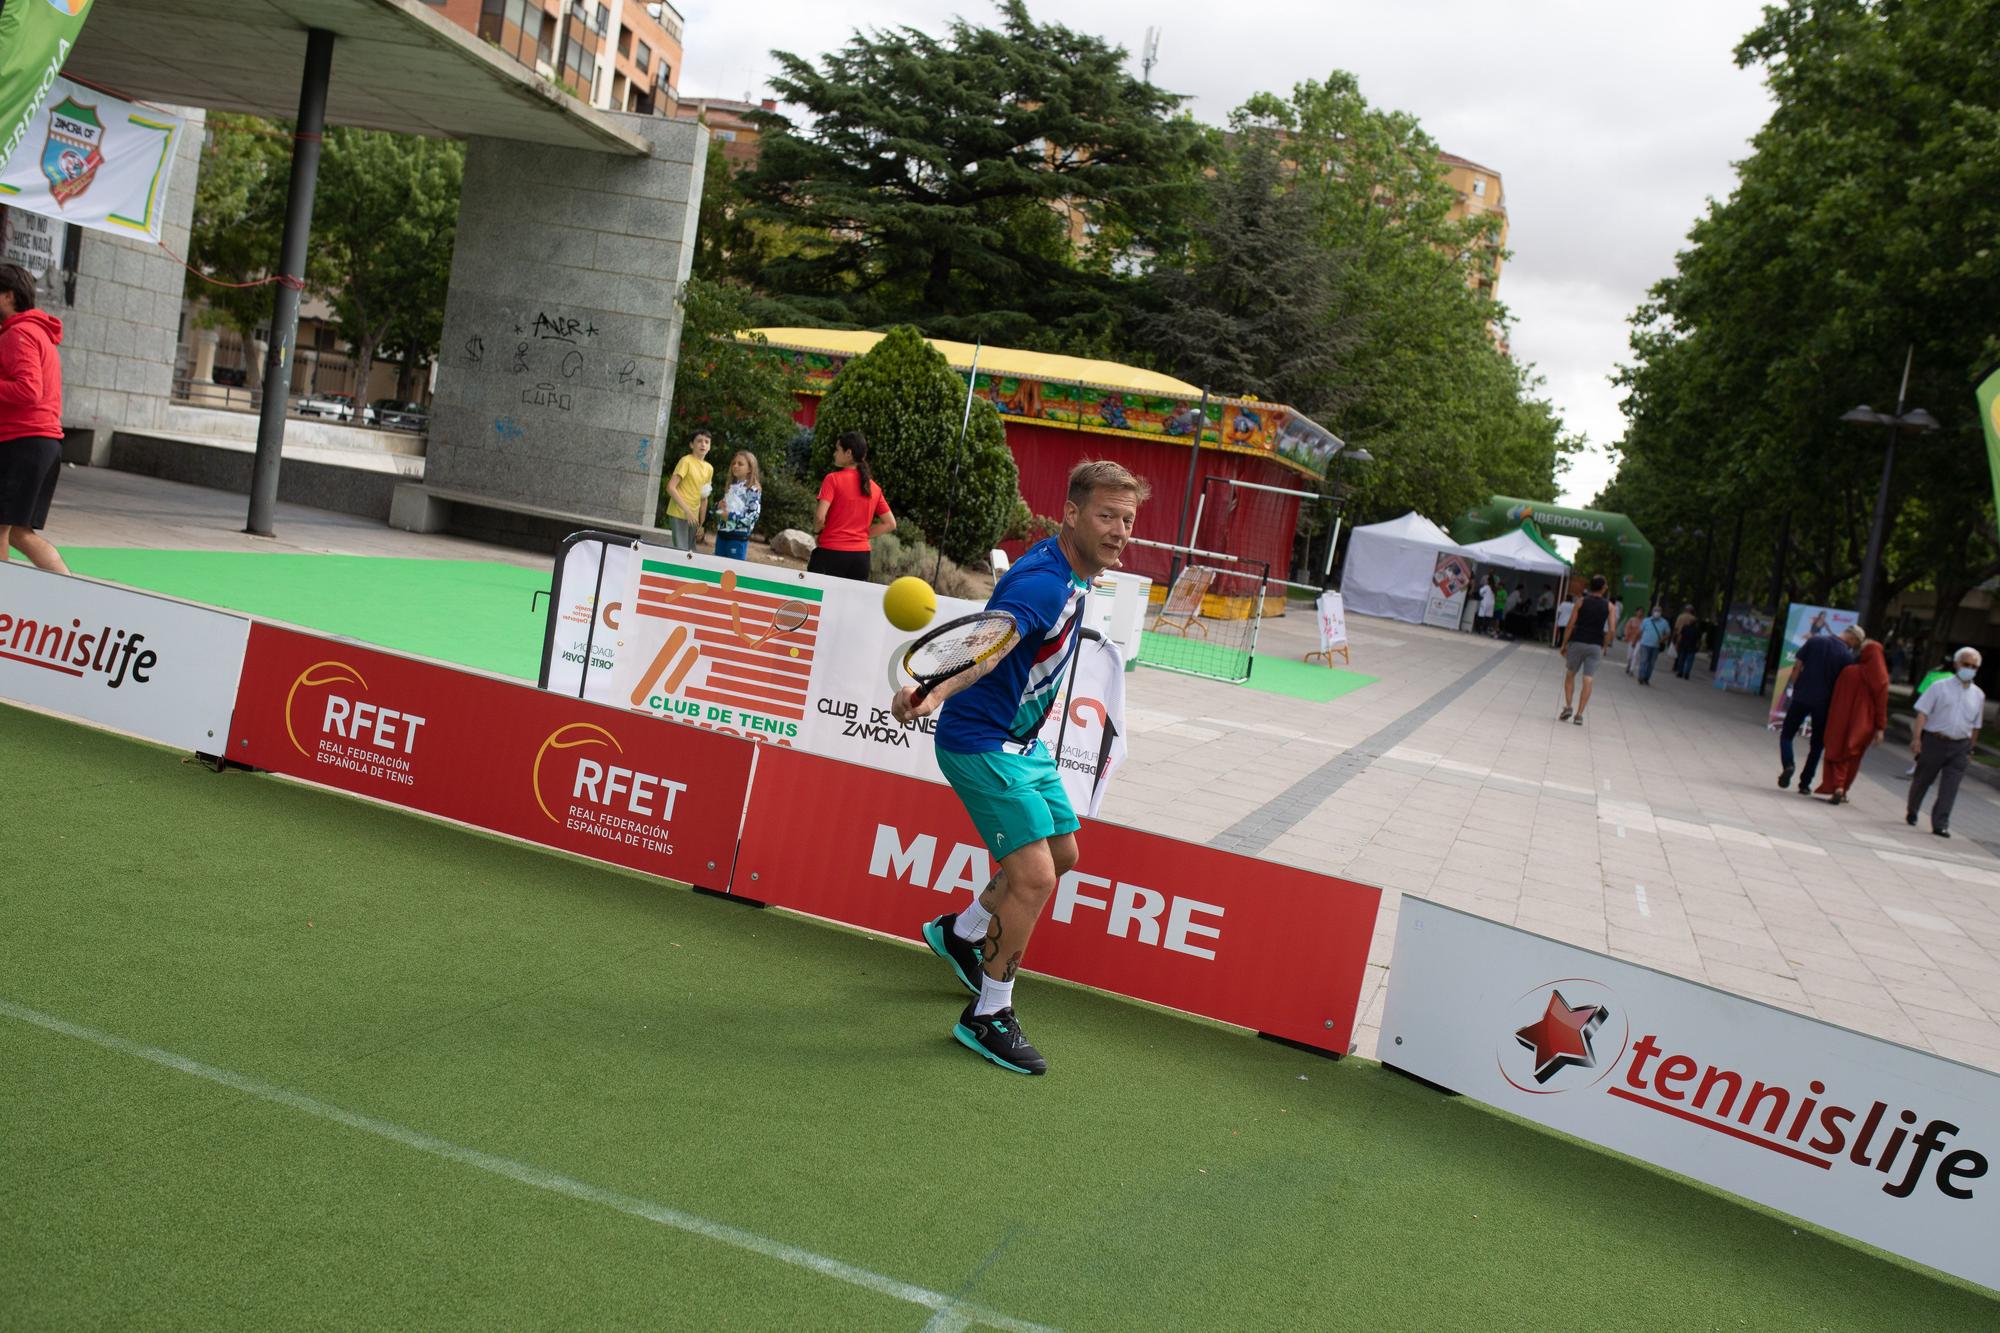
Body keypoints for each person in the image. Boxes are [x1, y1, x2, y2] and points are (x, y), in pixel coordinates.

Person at [893, 460, 1147, 1075]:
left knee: (1063, 856)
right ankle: (988, 1012)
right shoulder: (1042, 585)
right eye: (1106, 516)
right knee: (1034, 877)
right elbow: (983, 649)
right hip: (980, 741)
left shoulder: (1075, 571)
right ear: (1071, 512)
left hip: (1021, 741)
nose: (1119, 531)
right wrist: (931, 694)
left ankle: (963, 931)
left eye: (1128, 519)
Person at [0, 262, 70, 574]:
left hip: (23, 442)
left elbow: (28, 389)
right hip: (39, 442)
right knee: (17, 532)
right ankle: (69, 589)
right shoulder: (36, 332)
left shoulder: (19, 334)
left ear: (8, 296)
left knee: (2, 529)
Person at [1907, 648, 1985, 838]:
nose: (1970, 669)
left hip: (1960, 746)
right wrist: (1917, 739)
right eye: (1966, 664)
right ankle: (1912, 809)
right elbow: (1922, 713)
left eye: (1974, 667)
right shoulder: (1939, 686)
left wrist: (1970, 750)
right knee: (1922, 780)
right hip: (1935, 741)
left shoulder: (1978, 695)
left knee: (1950, 787)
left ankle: (1940, 823)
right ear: (1957, 664)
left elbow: (1976, 726)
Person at [1778, 623, 1861, 793]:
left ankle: (1788, 764)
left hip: (1802, 696)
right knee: (1817, 745)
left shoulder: (1815, 641)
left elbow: (1797, 665)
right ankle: (1805, 783)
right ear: (1852, 638)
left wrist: (1795, 685)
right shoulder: (1846, 657)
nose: (1853, 647)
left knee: (1787, 734)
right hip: (1824, 704)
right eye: (1855, 644)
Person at [809, 430, 895, 580]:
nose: (834, 454)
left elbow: (820, 517)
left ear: (848, 453)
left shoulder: (832, 479)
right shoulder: (874, 488)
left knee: (815, 602)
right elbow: (890, 523)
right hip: (861, 559)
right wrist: (861, 536)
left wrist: (817, 532)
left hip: (831, 553)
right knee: (847, 604)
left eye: (837, 449)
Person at [1815, 639, 1889, 805]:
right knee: (1853, 756)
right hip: (1864, 724)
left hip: (1840, 719)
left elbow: (1835, 697)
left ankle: (1837, 786)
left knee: (1837, 750)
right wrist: (1880, 727)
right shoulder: (1881, 678)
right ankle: (1844, 789)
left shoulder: (1848, 671)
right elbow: (1881, 705)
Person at [663, 432, 713, 552]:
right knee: (680, 551)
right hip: (679, 512)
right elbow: (670, 487)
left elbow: (704, 497)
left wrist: (701, 523)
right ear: (691, 445)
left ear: (710, 446)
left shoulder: (709, 468)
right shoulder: (686, 461)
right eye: (699, 441)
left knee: (691, 551)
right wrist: (688, 511)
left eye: (707, 442)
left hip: (694, 516)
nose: (703, 444)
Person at [713, 450, 762, 561]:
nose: (735, 466)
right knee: (717, 570)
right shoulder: (732, 486)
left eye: (740, 464)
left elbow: (753, 515)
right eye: (734, 463)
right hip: (722, 535)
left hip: (737, 538)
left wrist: (730, 516)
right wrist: (717, 506)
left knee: (733, 573)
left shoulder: (753, 489)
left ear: (750, 469)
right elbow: (721, 510)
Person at [1634, 606, 1672, 685]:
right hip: (1644, 644)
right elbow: (1640, 631)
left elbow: (1668, 633)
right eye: (1655, 610)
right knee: (1643, 661)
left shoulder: (1664, 622)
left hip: (1655, 646)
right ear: (1652, 611)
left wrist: (1662, 640)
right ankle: (1641, 677)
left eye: (1659, 611)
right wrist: (1635, 641)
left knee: (1651, 663)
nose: (1657, 612)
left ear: (1661, 612)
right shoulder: (1646, 621)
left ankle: (1646, 678)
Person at [1673, 608, 1701, 679]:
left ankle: (1680, 671)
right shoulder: (1697, 629)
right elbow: (1698, 640)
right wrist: (1698, 647)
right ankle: (1687, 673)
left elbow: (1679, 633)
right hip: (1692, 647)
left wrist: (1677, 643)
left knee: (1681, 659)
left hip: (1683, 645)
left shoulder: (1683, 622)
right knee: (1689, 661)